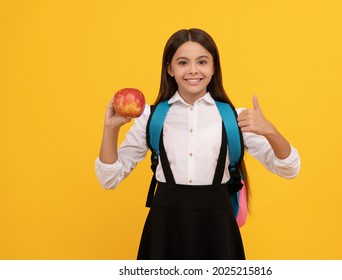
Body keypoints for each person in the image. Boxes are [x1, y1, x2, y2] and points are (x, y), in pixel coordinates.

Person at [95, 28, 300, 260]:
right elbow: (109, 179)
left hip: (218, 230)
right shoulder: (150, 117)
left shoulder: (236, 118)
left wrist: (270, 131)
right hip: (165, 230)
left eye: (202, 62)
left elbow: (289, 168)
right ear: (170, 69)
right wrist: (111, 128)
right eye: (183, 62)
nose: (193, 70)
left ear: (214, 67)